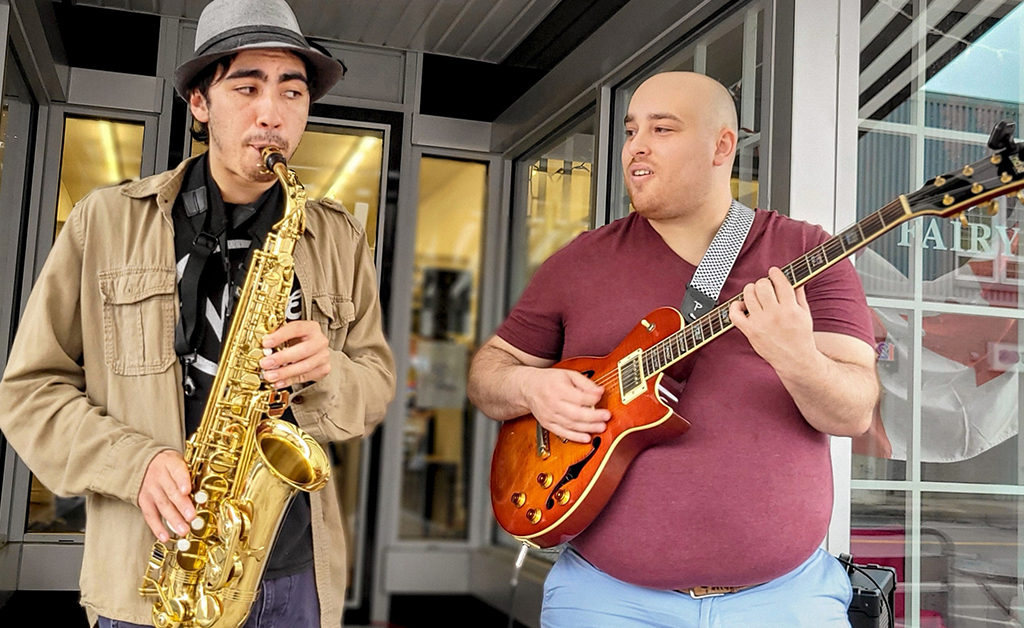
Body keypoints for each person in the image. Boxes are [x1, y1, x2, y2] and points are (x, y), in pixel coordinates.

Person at [0, 0, 396, 626]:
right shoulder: (105, 221)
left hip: (291, 577)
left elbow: (374, 384)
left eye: (293, 93)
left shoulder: (338, 237)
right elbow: (29, 392)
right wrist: (135, 464)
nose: (273, 115)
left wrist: (331, 373)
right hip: (150, 578)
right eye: (247, 87)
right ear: (200, 104)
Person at [467, 72, 879, 627]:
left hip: (785, 602)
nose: (636, 145)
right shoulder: (579, 261)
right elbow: (489, 373)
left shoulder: (809, 251)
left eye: (662, 129)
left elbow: (853, 412)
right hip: (604, 599)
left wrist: (796, 355)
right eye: (632, 129)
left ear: (722, 146)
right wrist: (530, 387)